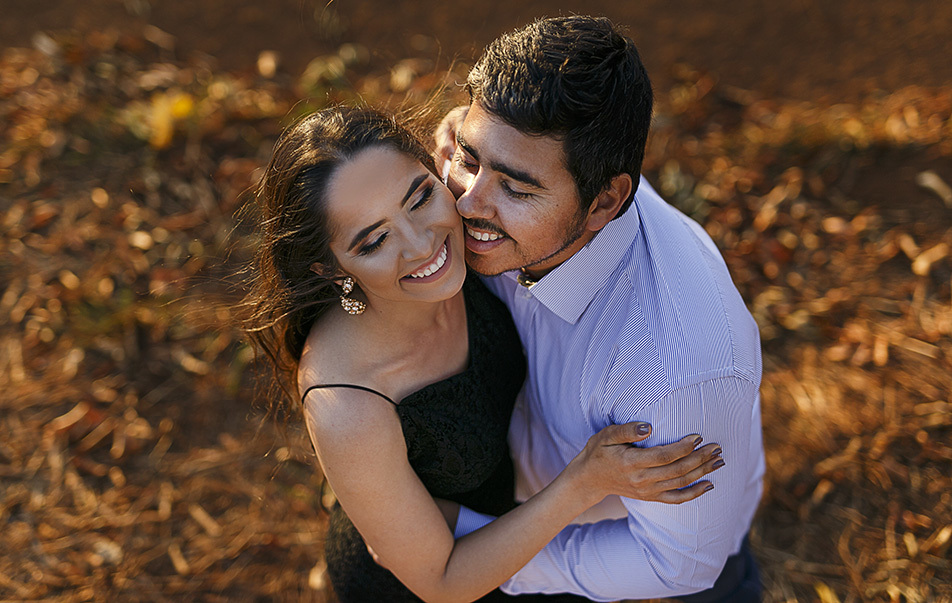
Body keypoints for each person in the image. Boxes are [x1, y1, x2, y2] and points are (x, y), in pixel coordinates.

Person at [241, 106, 725, 602]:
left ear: (438, 170)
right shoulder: (348, 399)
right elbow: (441, 580)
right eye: (375, 240)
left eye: (420, 197)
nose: (422, 243)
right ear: (330, 268)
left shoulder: (469, 226)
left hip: (518, 533)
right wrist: (585, 482)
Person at [434, 16, 765, 602]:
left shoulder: (677, 376)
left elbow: (674, 566)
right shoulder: (516, 171)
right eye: (470, 159)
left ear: (604, 203)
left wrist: (478, 553)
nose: (468, 203)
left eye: (516, 189)